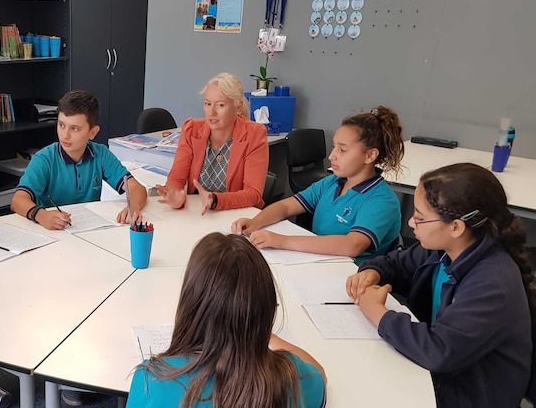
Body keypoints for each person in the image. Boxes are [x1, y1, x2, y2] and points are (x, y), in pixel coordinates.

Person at [346, 163, 534, 407]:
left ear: (456, 227)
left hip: (468, 395)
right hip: (435, 376)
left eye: (420, 218)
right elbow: (395, 264)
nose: (411, 223)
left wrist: (379, 314)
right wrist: (372, 272)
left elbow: (440, 351)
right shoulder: (446, 250)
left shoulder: (492, 282)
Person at [126, 232, 325, 408]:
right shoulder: (295, 377)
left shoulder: (151, 380)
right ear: (265, 308)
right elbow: (318, 373)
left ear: (191, 305)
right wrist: (257, 331)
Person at [232, 106, 404, 264]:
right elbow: (286, 206)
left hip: (349, 277)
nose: (332, 156)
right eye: (334, 147)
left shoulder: (381, 200)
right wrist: (257, 222)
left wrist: (280, 241)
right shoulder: (331, 183)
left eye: (342, 150)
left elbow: (352, 245)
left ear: (369, 156)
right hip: (317, 261)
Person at [10, 90, 147, 230]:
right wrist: (41, 215)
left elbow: (137, 188)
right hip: (51, 230)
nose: (65, 135)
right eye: (61, 125)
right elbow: (18, 200)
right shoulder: (44, 159)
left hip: (89, 229)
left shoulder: (101, 154)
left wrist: (133, 207)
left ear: (92, 132)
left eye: (74, 129)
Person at [156, 72, 268, 214]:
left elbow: (253, 194)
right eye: (207, 104)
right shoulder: (192, 130)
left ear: (238, 107)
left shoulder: (254, 134)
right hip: (198, 213)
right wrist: (174, 194)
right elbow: (176, 178)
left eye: (220, 105)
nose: (211, 112)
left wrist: (215, 200)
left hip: (238, 215)